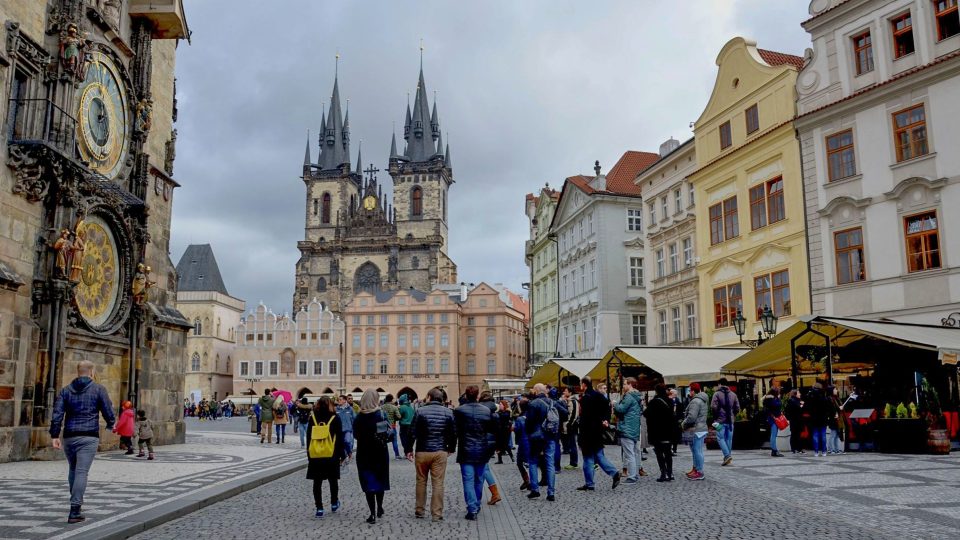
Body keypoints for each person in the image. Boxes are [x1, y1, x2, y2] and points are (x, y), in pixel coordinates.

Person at [49, 360, 116, 524]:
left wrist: (55, 435)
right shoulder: (98, 389)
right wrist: (110, 423)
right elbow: (108, 409)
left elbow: (57, 414)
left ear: (78, 372)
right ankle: (75, 509)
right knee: (81, 472)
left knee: (73, 469)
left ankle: (75, 502)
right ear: (91, 372)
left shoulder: (66, 391)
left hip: (70, 436)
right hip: (88, 436)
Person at [407, 387, 456, 522]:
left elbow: (412, 432)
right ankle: (437, 513)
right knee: (438, 483)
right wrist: (451, 448)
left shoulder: (420, 411)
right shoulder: (448, 412)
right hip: (440, 451)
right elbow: (453, 433)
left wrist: (408, 449)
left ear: (429, 397)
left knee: (421, 481)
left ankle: (419, 510)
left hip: (422, 450)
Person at [454, 385, 496, 520]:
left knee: (468, 479)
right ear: (477, 396)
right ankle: (476, 504)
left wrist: (451, 447)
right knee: (479, 479)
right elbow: (491, 430)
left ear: (466, 395)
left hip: (466, 449)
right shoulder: (486, 410)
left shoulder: (459, 411)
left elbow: (455, 431)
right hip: (481, 449)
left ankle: (472, 508)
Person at [576, 376, 621, 491]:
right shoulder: (598, 395)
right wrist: (605, 419)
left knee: (588, 458)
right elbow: (607, 406)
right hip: (597, 430)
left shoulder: (586, 398)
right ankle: (614, 473)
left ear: (584, 385)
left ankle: (590, 483)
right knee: (599, 455)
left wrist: (580, 435)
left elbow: (584, 418)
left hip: (587, 432)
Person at [354, 389, 390, 524]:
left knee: (368, 482)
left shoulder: (359, 417)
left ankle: (372, 514)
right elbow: (383, 434)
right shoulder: (380, 414)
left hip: (364, 453)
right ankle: (380, 507)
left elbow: (356, 435)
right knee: (380, 480)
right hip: (380, 452)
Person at [306, 396, 345, 518]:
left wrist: (309, 454)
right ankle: (334, 502)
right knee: (333, 480)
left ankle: (319, 508)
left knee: (317, 483)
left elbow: (308, 437)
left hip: (316, 454)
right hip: (331, 454)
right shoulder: (335, 417)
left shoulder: (313, 418)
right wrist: (342, 455)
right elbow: (339, 438)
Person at [525, 383, 562, 501]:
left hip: (536, 437)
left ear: (536, 391)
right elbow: (564, 414)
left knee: (533, 462)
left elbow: (529, 422)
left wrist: (529, 433)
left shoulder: (533, 403)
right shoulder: (552, 402)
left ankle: (535, 489)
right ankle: (551, 493)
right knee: (550, 464)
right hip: (550, 436)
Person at [614, 377, 645, 483]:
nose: (623, 386)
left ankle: (632, 477)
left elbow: (621, 409)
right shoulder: (638, 396)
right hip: (635, 427)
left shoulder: (628, 396)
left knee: (629, 453)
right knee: (635, 453)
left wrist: (615, 403)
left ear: (630, 384)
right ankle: (635, 474)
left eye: (624, 384)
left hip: (626, 427)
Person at [644, 383, 675, 482]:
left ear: (656, 391)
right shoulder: (670, 401)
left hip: (657, 431)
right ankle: (670, 473)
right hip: (668, 431)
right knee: (668, 452)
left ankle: (664, 473)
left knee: (659, 453)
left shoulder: (653, 402)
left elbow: (646, 414)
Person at [710, 378, 740, 466]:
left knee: (720, 438)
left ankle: (727, 456)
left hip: (720, 421)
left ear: (720, 384)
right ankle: (728, 457)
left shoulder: (717, 394)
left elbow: (713, 407)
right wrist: (732, 415)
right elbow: (737, 408)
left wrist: (717, 416)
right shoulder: (733, 394)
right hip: (730, 421)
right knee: (729, 439)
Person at [683, 383, 709, 481]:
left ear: (693, 391)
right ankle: (696, 469)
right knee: (696, 450)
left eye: (690, 390)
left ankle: (699, 471)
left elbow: (692, 417)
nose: (689, 392)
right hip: (701, 428)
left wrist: (683, 423)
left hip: (696, 429)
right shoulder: (703, 400)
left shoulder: (695, 401)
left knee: (697, 451)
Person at [805, 383, 830, 457]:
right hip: (823, 418)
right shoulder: (823, 395)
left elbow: (807, 407)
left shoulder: (811, 396)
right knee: (823, 435)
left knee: (815, 435)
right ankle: (824, 451)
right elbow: (827, 407)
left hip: (814, 418)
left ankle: (816, 451)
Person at [513, 398, 531, 490]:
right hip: (532, 441)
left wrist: (513, 428)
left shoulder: (520, 419)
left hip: (523, 442)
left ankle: (527, 480)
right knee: (532, 462)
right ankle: (531, 481)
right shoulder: (532, 416)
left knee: (520, 462)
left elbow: (517, 430)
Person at [762, 388, 785, 457]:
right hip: (774, 419)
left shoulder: (767, 399)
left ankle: (774, 450)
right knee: (773, 435)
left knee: (773, 434)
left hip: (771, 418)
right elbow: (778, 405)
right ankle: (774, 450)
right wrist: (778, 399)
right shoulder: (772, 400)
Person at [561, 386, 580, 470]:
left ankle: (574, 463)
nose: (564, 393)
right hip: (570, 425)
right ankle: (572, 462)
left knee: (572, 444)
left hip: (572, 426)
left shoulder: (573, 401)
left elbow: (573, 414)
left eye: (565, 391)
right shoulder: (570, 400)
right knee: (571, 444)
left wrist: (569, 424)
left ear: (570, 392)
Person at [381, 394, 403, 460]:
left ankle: (383, 456)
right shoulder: (394, 407)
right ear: (391, 399)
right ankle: (397, 455)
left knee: (383, 441)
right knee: (394, 441)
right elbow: (399, 417)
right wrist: (395, 418)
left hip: (383, 426)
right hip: (392, 426)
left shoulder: (382, 407)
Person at [336, 395, 357, 463]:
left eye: (340, 399)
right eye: (338, 400)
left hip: (348, 429)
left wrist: (354, 428)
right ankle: (343, 457)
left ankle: (349, 453)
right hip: (339, 430)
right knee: (340, 445)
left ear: (345, 400)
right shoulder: (336, 409)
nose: (339, 401)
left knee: (347, 441)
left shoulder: (350, 409)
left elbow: (354, 418)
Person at [785, 389, 805, 454]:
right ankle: (796, 448)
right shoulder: (793, 401)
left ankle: (796, 448)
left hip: (795, 421)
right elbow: (797, 410)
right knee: (795, 435)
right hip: (795, 421)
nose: (800, 394)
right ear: (795, 394)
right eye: (798, 393)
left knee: (796, 435)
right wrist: (801, 406)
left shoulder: (795, 401)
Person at [495, 400, 515, 464]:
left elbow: (504, 417)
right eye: (499, 404)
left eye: (501, 404)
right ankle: (500, 459)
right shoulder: (498, 412)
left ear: (504, 405)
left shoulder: (507, 412)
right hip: (499, 431)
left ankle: (512, 457)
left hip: (505, 431)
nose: (500, 405)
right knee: (498, 445)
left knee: (506, 445)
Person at [827, 386, 845, 455]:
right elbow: (830, 409)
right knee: (833, 434)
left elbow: (839, 408)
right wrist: (838, 409)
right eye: (835, 389)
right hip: (833, 418)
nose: (836, 390)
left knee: (837, 435)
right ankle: (831, 449)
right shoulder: (829, 399)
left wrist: (841, 407)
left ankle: (836, 449)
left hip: (838, 418)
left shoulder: (836, 398)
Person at [668, 388, 683, 456]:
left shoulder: (678, 400)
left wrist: (680, 418)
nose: (676, 395)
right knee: (671, 435)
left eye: (676, 394)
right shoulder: (668, 400)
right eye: (675, 394)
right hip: (670, 420)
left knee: (676, 435)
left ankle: (674, 448)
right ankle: (670, 448)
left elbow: (680, 410)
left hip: (676, 420)